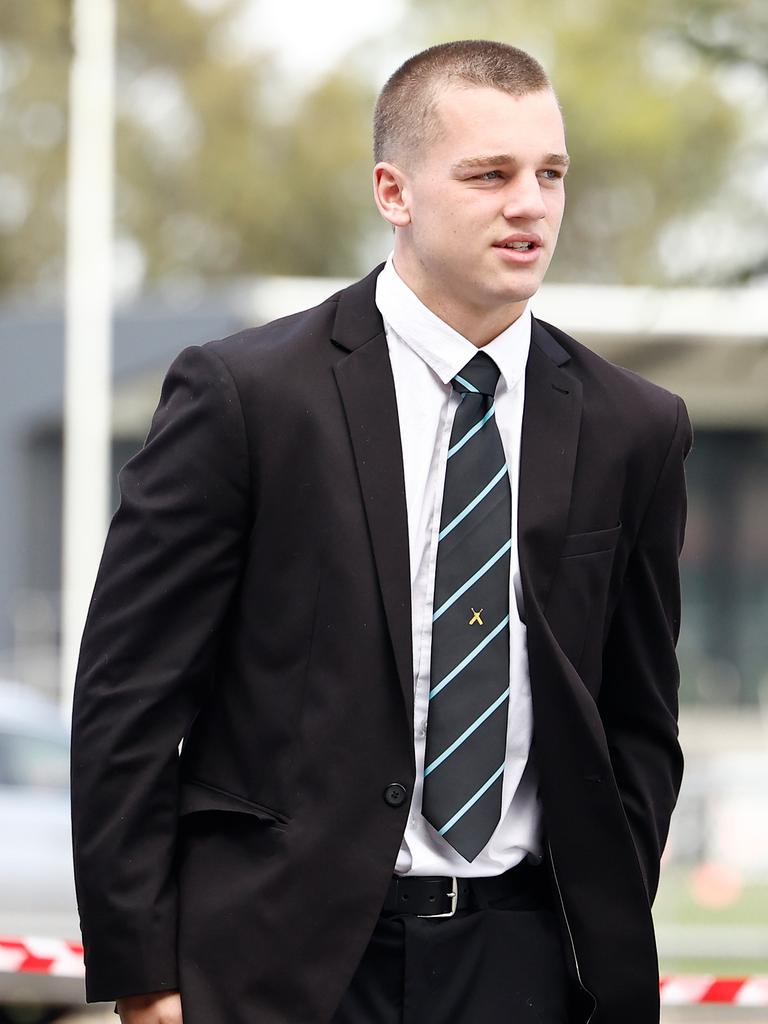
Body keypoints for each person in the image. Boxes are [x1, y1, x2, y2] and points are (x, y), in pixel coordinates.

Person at [70, 39, 693, 1024]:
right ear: (394, 192)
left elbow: (639, 718)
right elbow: (129, 697)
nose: (529, 204)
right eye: (489, 174)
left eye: (550, 174)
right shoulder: (247, 397)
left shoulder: (637, 427)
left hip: (530, 962)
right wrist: (145, 973)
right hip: (283, 964)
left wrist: (603, 909)